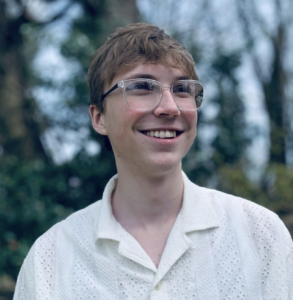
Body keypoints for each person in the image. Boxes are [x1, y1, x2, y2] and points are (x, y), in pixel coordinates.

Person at [14, 23, 292, 300]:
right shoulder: (49, 260)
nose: (169, 107)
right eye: (142, 87)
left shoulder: (261, 236)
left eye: (182, 89)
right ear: (99, 117)